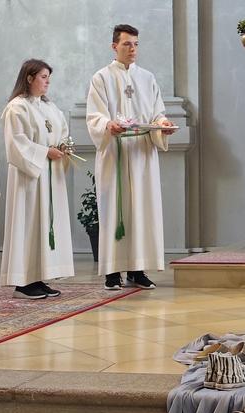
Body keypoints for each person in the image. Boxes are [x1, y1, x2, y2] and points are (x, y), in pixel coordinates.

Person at [86, 24, 175, 291]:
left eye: (136, 44)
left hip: (142, 156)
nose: (132, 49)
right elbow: (94, 115)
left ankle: (138, 269)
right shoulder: (101, 78)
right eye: (127, 44)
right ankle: (112, 272)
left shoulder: (147, 78)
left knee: (142, 210)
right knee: (115, 210)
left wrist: (164, 123)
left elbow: (156, 113)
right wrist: (107, 125)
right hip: (115, 153)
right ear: (114, 46)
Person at [0, 59, 74, 299]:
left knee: (45, 224)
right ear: (29, 78)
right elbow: (16, 143)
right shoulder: (17, 108)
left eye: (48, 77)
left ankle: (39, 277)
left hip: (50, 174)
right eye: (43, 77)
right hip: (29, 178)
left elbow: (61, 131)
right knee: (29, 223)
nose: (47, 82)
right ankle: (23, 283)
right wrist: (44, 152)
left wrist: (63, 147)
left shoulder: (50, 107)